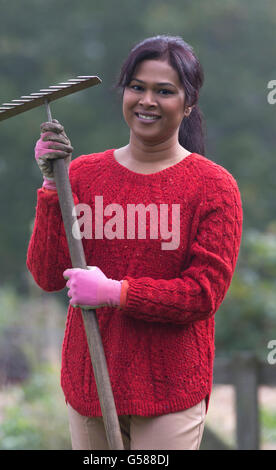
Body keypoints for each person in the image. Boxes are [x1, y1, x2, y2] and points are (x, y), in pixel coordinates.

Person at [26, 35, 243, 450]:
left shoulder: (214, 187)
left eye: (164, 91)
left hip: (170, 387)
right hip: (91, 380)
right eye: (137, 87)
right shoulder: (84, 175)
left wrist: (116, 292)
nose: (147, 100)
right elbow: (48, 274)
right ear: (123, 92)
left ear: (189, 104)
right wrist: (52, 185)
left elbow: (203, 294)